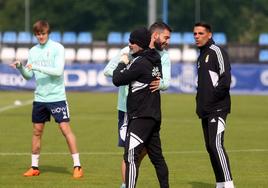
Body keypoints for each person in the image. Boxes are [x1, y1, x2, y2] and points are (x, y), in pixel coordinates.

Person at [10, 20, 83, 178]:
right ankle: (34, 167)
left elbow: (57, 71)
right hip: (40, 98)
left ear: (48, 33)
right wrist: (21, 68)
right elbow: (29, 76)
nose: (40, 37)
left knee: (65, 129)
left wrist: (36, 67)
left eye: (42, 34)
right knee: (37, 131)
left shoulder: (57, 48)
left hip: (57, 97)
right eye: (37, 34)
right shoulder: (33, 51)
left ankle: (77, 166)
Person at [103, 21, 171, 188]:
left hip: (140, 115)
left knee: (130, 156)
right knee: (157, 158)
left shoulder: (139, 62)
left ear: (139, 44)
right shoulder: (156, 60)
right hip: (154, 114)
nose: (129, 45)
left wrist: (123, 63)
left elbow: (117, 79)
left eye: (132, 42)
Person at [193, 22, 235, 188]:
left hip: (218, 108)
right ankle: (220, 184)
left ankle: (229, 184)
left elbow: (225, 80)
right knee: (210, 147)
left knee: (216, 144)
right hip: (205, 110)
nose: (197, 36)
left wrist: (212, 100)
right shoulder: (201, 56)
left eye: (200, 33)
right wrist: (200, 105)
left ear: (209, 34)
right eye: (195, 33)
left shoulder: (217, 52)